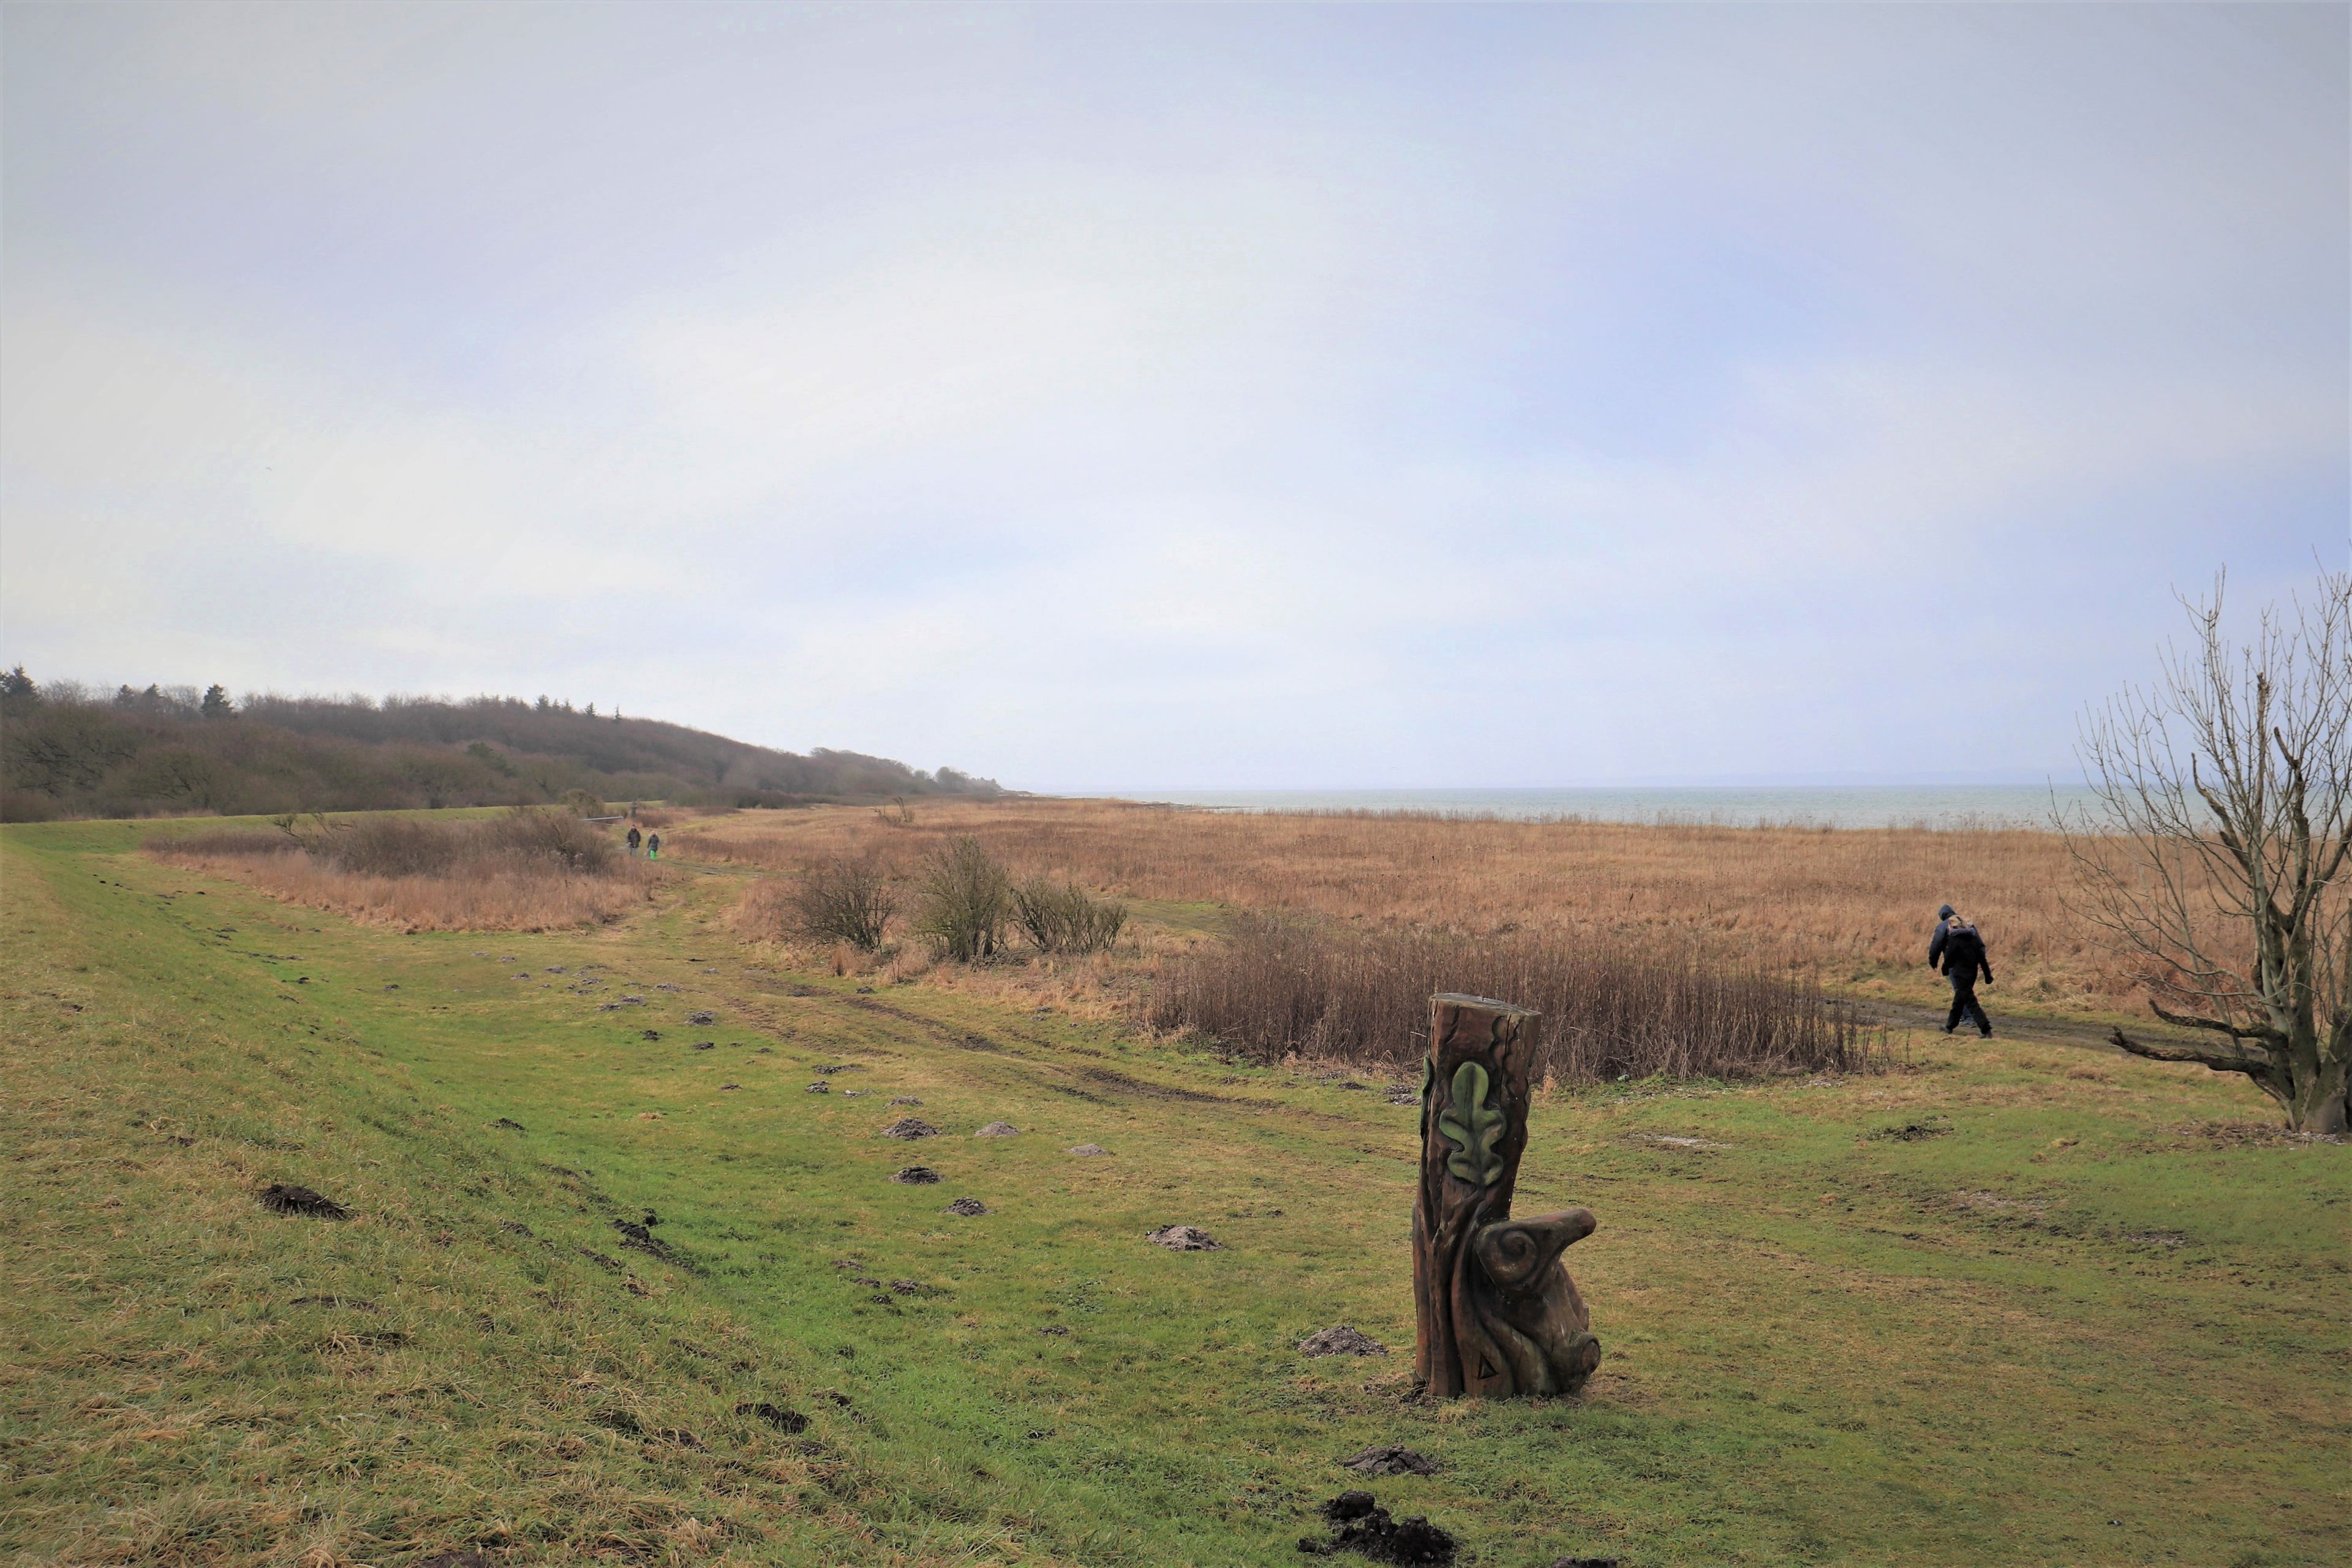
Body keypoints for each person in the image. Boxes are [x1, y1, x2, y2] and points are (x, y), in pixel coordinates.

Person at [1928, 907, 1994, 1037]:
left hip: (1959, 974)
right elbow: (1982, 956)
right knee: (1959, 1000)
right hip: (1972, 973)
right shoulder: (1973, 938)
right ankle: (1949, 1027)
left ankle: (1986, 1029)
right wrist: (1988, 975)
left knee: (1970, 1001)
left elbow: (1949, 958)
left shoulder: (1954, 940)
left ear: (1953, 927)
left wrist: (1944, 970)